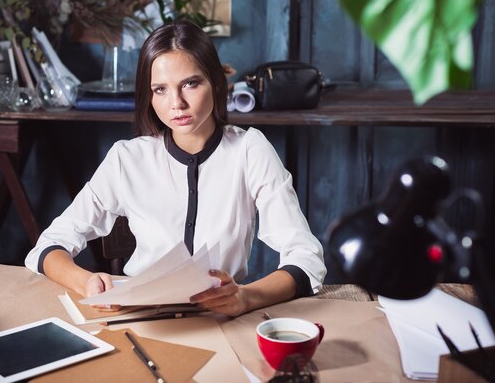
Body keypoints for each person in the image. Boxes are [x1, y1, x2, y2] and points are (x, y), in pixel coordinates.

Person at [25, 20, 326, 317]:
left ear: (217, 83)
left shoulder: (250, 151)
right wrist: (87, 281)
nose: (176, 103)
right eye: (160, 90)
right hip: (139, 317)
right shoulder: (127, 159)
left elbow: (306, 258)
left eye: (190, 84)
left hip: (224, 319)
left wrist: (245, 298)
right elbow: (49, 246)